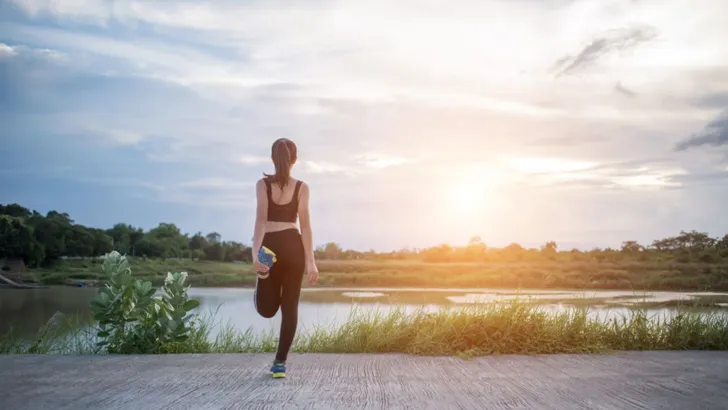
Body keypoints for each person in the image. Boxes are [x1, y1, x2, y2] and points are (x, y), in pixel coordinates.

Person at [252, 138, 319, 379]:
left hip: (269, 247)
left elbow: (261, 220)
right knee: (289, 307)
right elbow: (306, 227)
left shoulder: (262, 185)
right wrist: (310, 261)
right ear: (295, 160)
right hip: (294, 247)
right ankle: (279, 363)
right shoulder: (302, 187)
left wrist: (255, 253)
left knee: (267, 310)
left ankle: (262, 277)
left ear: (272, 158)